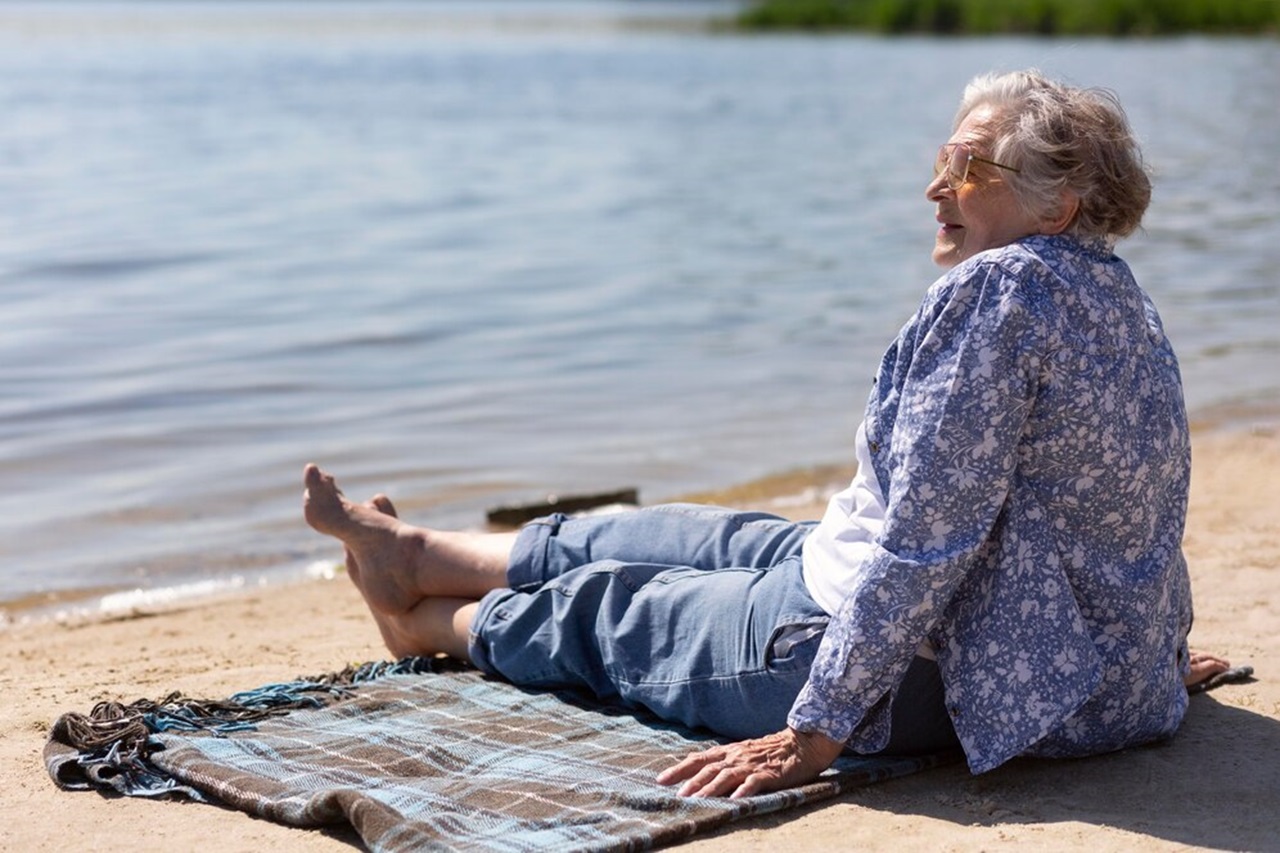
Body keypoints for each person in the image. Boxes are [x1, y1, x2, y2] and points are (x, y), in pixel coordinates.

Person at [303, 69, 1232, 800]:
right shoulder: (1116, 294)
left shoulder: (997, 293)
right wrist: (1128, 662)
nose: (933, 188)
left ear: (1054, 206)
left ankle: (423, 619)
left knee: (619, 612)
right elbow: (1142, 506)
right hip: (993, 629)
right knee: (702, 537)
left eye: (967, 170)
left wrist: (815, 728)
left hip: (909, 658)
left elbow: (927, 541)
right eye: (942, 161)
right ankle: (417, 549)